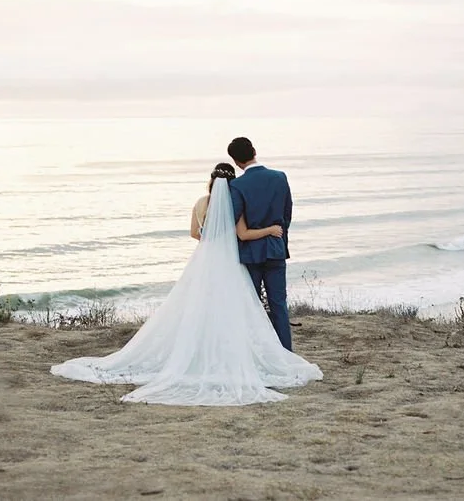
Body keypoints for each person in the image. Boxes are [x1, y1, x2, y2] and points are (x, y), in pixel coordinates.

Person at [50, 163, 322, 405]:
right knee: (236, 308)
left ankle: (196, 351)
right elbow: (242, 234)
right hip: (230, 260)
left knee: (198, 305)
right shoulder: (233, 204)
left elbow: (195, 233)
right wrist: (266, 232)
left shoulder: (201, 203)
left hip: (204, 259)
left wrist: (211, 239)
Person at [226, 137, 294, 351]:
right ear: (254, 151)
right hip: (275, 248)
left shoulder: (237, 185)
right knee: (279, 305)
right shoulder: (279, 177)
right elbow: (287, 214)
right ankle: (285, 353)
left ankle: (257, 353)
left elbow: (234, 218)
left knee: (252, 306)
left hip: (250, 253)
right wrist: (279, 240)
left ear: (236, 161)